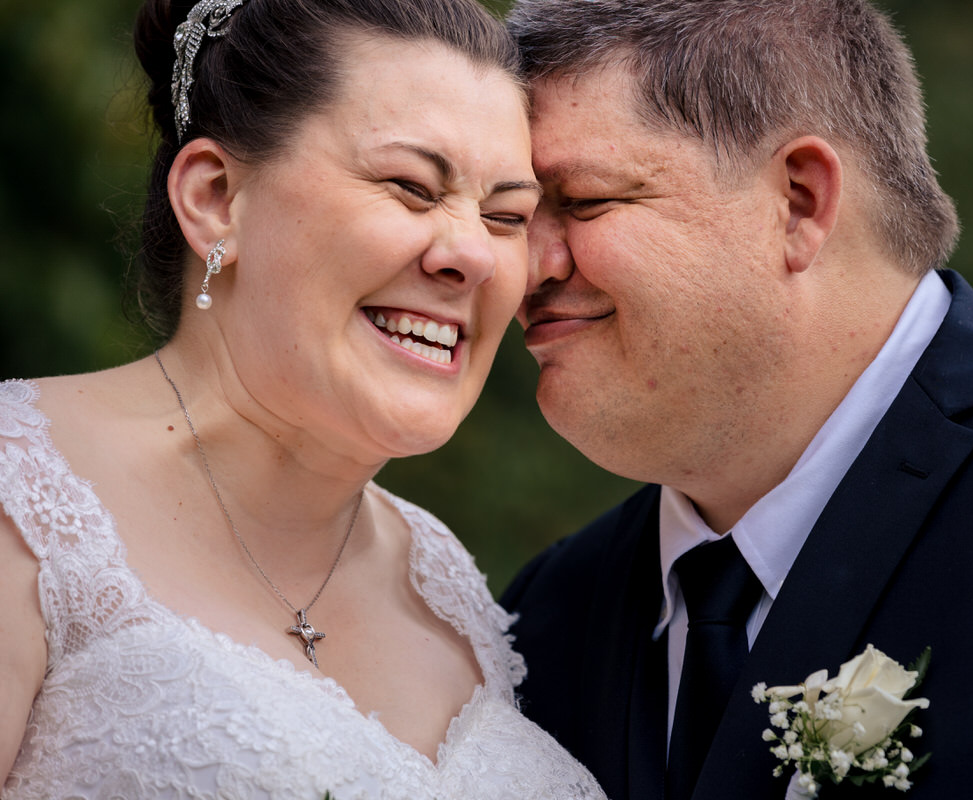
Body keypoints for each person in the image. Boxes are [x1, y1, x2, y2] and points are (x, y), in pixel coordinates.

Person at [498, 1, 973, 798]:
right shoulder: (545, 616)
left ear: (798, 201)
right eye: (509, 216)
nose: (523, 268)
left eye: (583, 201)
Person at [0, 1, 608, 797]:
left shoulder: (456, 595)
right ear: (216, 197)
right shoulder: (21, 501)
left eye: (505, 217)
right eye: (411, 187)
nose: (474, 257)